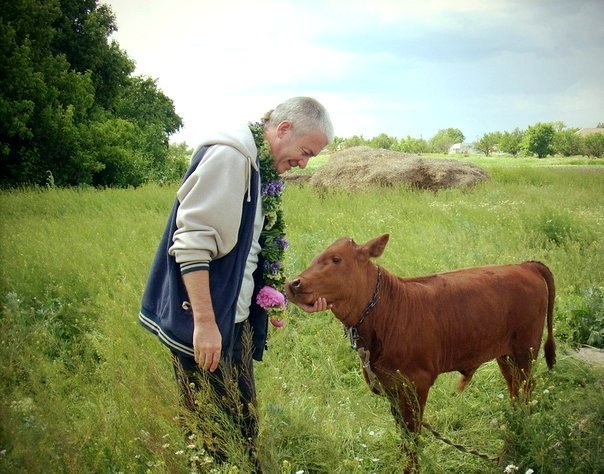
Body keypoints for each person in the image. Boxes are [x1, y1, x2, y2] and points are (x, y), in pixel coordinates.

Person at [138, 96, 334, 467]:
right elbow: (192, 243)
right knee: (216, 437)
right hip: (211, 325)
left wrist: (288, 297)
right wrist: (206, 325)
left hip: (234, 321)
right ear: (283, 128)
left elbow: (248, 254)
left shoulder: (258, 166)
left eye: (311, 158)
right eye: (305, 152)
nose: (303, 164)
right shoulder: (231, 156)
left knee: (240, 428)